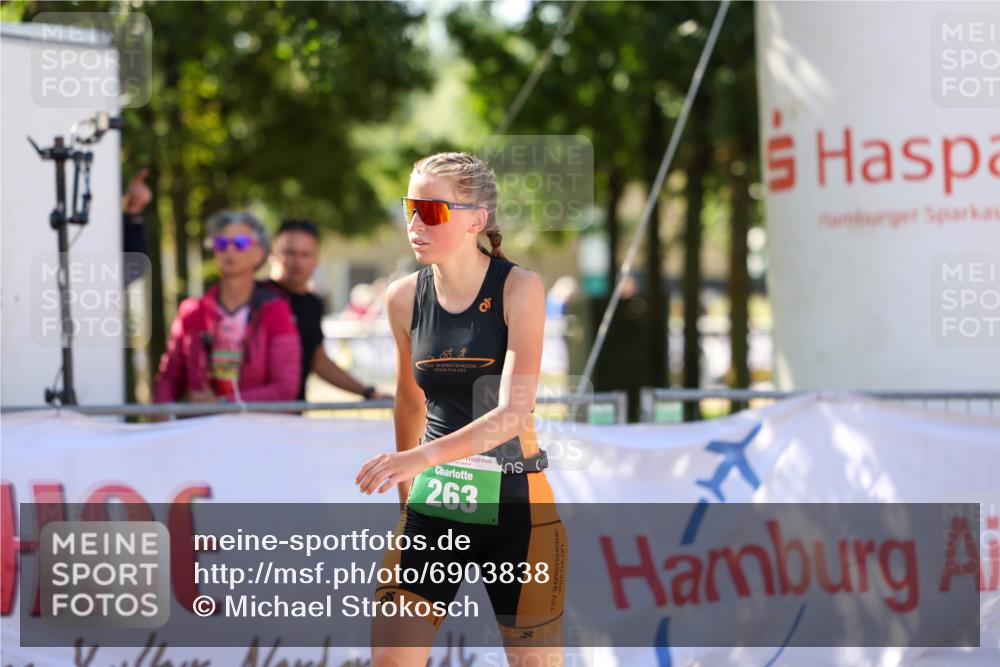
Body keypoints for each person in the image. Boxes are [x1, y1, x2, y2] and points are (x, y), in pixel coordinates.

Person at [354, 152, 566, 665]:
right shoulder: (403, 297)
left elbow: (513, 414)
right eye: (410, 207)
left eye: (431, 210)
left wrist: (419, 459)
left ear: (477, 220)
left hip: (518, 505)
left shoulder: (521, 288)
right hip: (435, 503)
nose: (414, 223)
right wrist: (408, 497)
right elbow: (410, 400)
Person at [154, 211, 301, 404]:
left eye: (241, 243)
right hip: (205, 430)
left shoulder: (276, 311)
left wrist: (222, 404)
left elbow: (285, 388)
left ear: (259, 253)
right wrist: (162, 420)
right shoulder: (192, 312)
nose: (229, 250)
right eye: (221, 243)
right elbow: (168, 378)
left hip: (259, 429)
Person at [267, 219, 392, 402]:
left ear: (315, 259)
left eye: (305, 254)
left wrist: (368, 392)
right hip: (252, 414)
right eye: (289, 252)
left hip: (291, 415)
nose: (296, 262)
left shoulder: (312, 304)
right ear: (273, 254)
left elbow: (319, 361)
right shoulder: (258, 299)